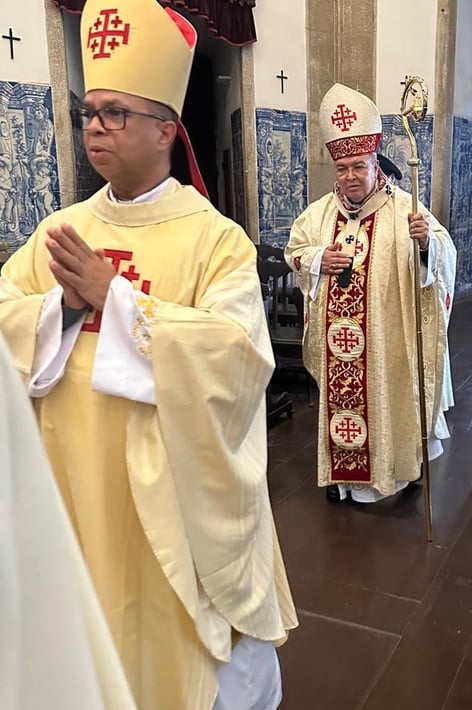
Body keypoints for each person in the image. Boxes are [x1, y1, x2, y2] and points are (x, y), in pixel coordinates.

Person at [0, 1, 297, 708]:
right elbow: (7, 315)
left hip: (175, 499)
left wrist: (117, 298)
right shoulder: (61, 230)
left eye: (115, 113)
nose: (95, 126)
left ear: (166, 130)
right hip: (72, 479)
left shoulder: (214, 238)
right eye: (89, 112)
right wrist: (61, 308)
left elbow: (237, 356)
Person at [285, 83, 456, 503]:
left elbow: (444, 252)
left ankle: (399, 470)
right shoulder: (319, 214)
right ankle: (343, 479)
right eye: (342, 168)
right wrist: (318, 259)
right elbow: (295, 251)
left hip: (387, 341)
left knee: (389, 400)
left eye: (358, 166)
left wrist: (425, 244)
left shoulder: (405, 209)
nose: (350, 177)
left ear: (375, 163)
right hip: (338, 345)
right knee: (341, 406)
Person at [0, 334, 136, 710]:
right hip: (56, 434)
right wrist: (60, 309)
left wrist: (124, 308)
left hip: (147, 454)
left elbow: (233, 348)